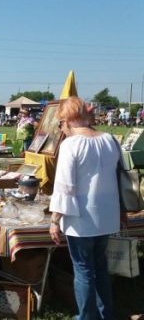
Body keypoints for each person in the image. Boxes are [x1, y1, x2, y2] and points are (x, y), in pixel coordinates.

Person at [49, 97, 120, 320]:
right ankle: (104, 314)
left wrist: (54, 219)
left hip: (81, 218)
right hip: (107, 215)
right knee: (100, 267)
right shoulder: (109, 139)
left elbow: (64, 187)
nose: (62, 128)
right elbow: (119, 176)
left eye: (61, 123)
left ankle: (86, 317)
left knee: (83, 271)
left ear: (68, 121)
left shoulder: (70, 144)